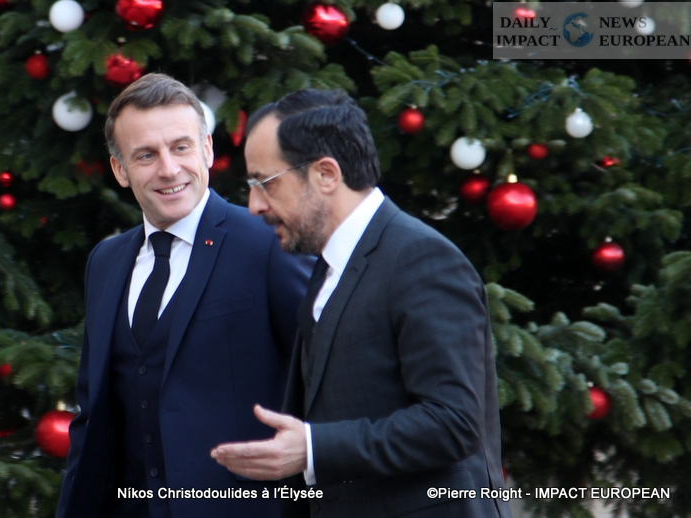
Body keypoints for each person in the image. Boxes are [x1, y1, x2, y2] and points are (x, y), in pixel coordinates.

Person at [210, 89, 512, 518]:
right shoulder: (329, 265)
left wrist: (313, 449)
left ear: (326, 174)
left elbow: (454, 424)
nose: (255, 205)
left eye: (267, 183)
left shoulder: (422, 259)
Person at [56, 73, 311, 518]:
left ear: (207, 149)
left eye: (181, 147)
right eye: (146, 155)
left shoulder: (268, 242)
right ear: (120, 169)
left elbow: (330, 374)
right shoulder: (105, 262)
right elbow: (93, 416)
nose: (169, 169)